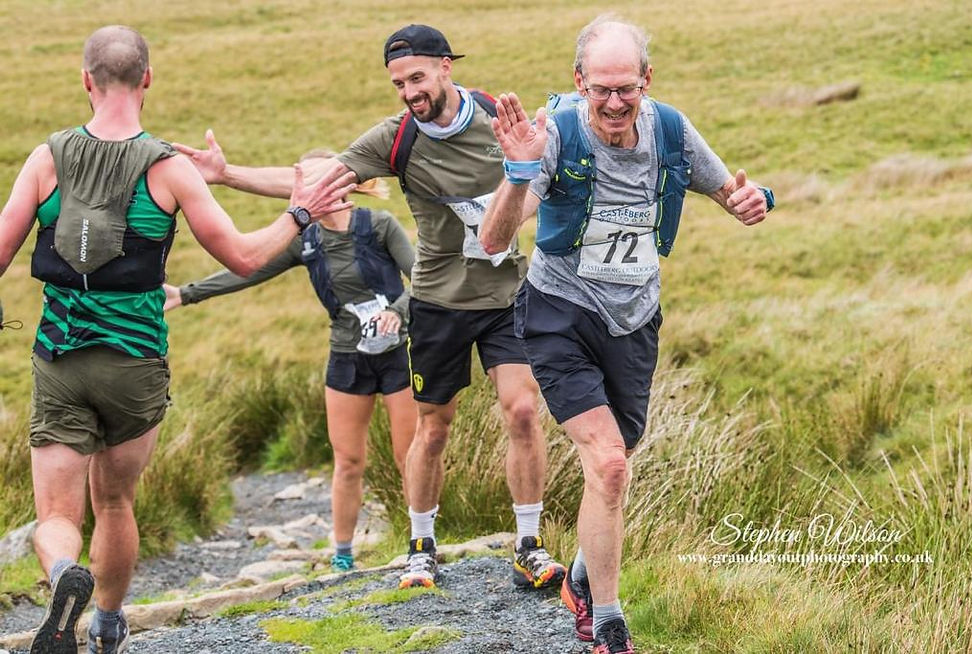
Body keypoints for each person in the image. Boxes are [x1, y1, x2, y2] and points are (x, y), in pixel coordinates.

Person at [172, 24, 565, 592]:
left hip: (506, 296)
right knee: (433, 430)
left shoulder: (496, 117)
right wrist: (226, 174)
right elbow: (309, 181)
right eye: (399, 83)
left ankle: (528, 543)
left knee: (524, 411)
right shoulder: (395, 138)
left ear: (446, 68)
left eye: (417, 77)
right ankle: (421, 547)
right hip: (437, 302)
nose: (409, 91)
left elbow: (551, 168)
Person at [0, 25, 354, 654]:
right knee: (115, 501)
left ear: (85, 80)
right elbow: (245, 258)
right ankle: (107, 622)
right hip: (135, 364)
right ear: (147, 81)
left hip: (60, 358)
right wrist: (298, 211)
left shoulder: (46, 158)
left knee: (57, 515)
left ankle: (62, 575)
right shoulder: (169, 169)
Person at [481, 15, 773, 654]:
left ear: (647, 81)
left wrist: (754, 204)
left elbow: (731, 192)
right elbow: (495, 240)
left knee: (617, 464)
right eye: (600, 89)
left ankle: (583, 578)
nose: (614, 103)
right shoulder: (552, 134)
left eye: (626, 89)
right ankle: (607, 625)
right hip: (559, 311)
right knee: (608, 463)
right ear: (578, 81)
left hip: (635, 319)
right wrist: (518, 171)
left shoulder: (671, 129)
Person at [163, 150, 416, 573]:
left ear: (343, 184)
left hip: (397, 355)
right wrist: (186, 293)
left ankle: (420, 543)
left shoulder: (378, 225)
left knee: (407, 454)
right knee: (349, 461)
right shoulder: (307, 240)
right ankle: (342, 556)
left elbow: (422, 276)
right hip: (346, 360)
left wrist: (398, 312)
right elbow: (249, 268)